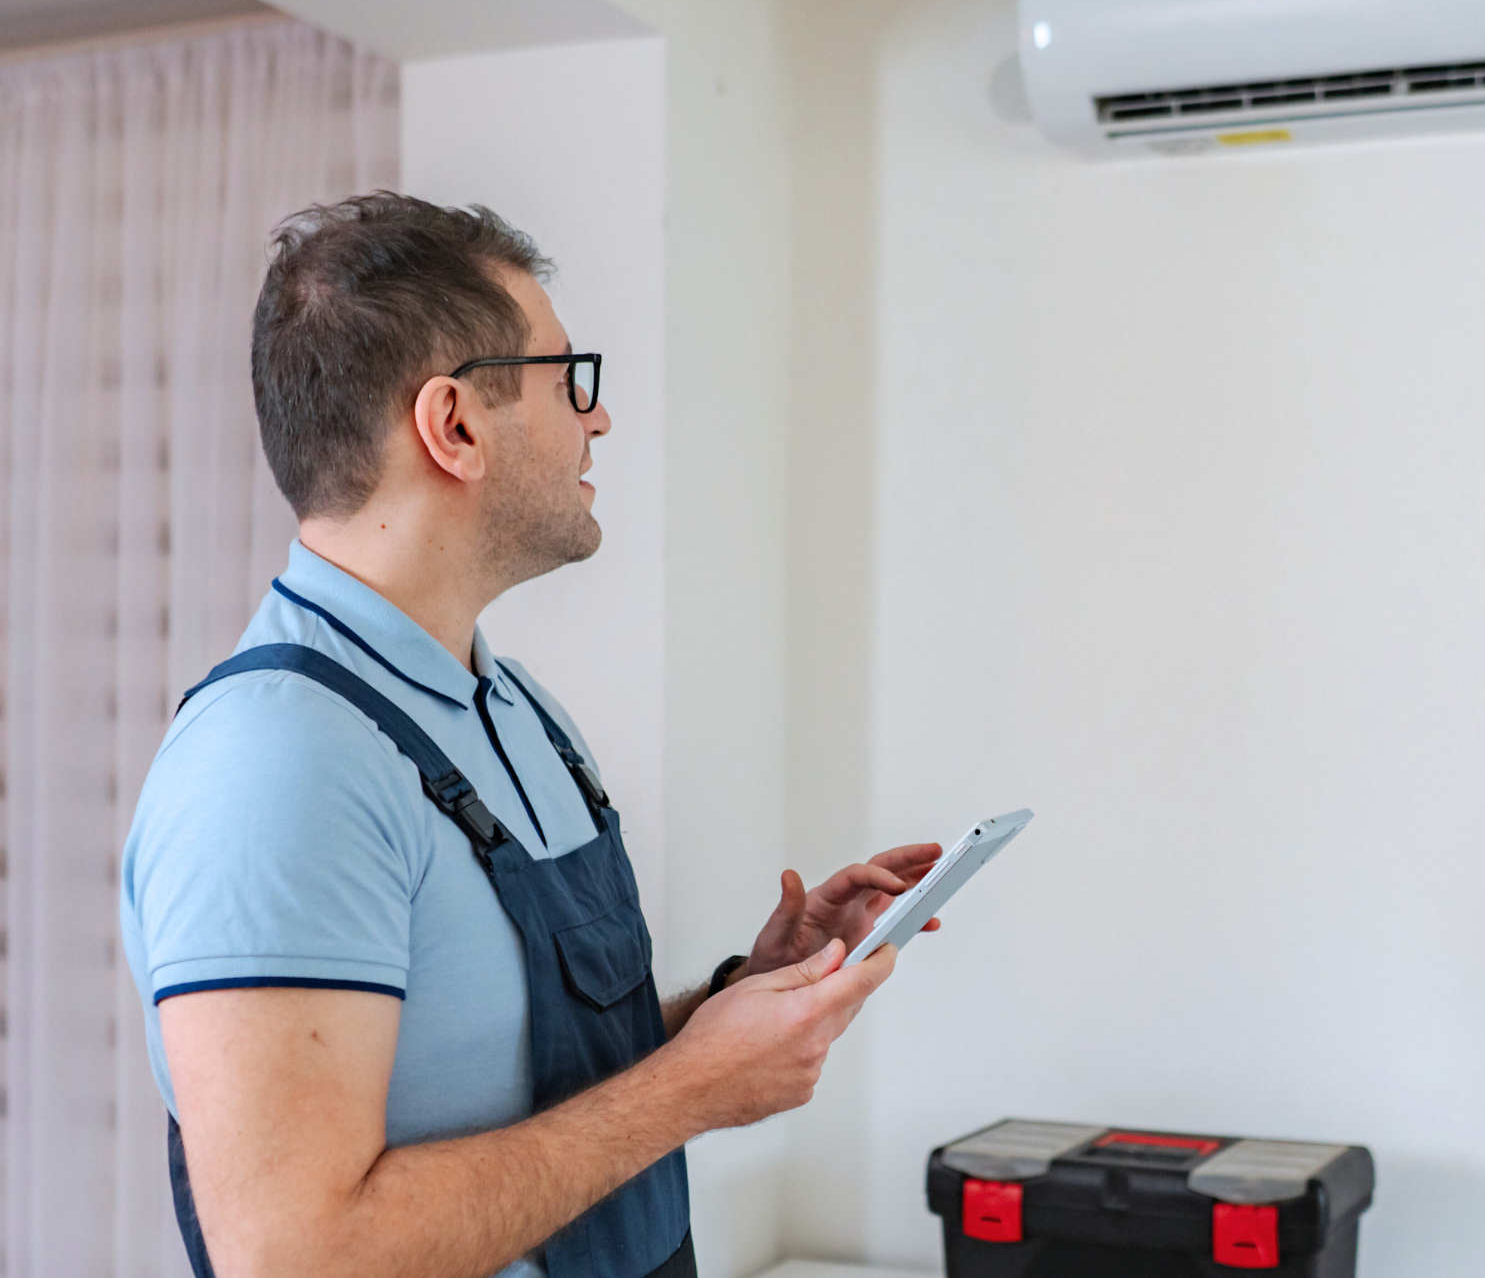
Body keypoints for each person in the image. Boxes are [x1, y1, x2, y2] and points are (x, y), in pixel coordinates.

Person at [118, 194, 933, 1278]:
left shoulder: (513, 709)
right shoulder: (277, 767)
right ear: (453, 426)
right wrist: (691, 1088)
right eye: (568, 381)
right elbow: (294, 1253)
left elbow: (508, 1077)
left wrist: (737, 1002)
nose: (597, 420)